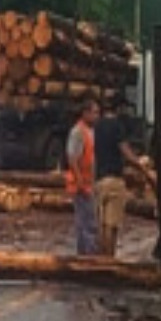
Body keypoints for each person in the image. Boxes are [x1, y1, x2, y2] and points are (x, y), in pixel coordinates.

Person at [94, 99, 143, 257]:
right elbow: (126, 152)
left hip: (99, 179)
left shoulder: (97, 126)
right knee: (111, 224)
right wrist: (140, 163)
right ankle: (110, 259)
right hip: (114, 179)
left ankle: (100, 260)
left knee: (101, 224)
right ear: (118, 109)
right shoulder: (117, 126)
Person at [65, 102, 100, 256]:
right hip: (81, 184)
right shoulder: (78, 132)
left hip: (89, 182)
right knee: (86, 221)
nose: (96, 116)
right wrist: (80, 181)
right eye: (94, 112)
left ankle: (88, 251)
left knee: (90, 220)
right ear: (85, 113)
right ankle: (86, 254)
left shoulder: (89, 131)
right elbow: (72, 158)